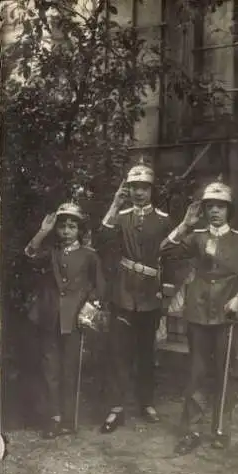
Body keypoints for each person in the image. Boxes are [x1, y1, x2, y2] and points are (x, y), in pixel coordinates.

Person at [160, 178, 238, 455]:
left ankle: (220, 429)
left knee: (224, 374)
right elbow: (165, 252)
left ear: (229, 210)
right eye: (210, 206)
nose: (215, 211)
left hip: (227, 316)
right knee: (196, 373)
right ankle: (190, 430)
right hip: (198, 314)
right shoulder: (197, 237)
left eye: (220, 206)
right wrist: (185, 224)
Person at [98, 158, 174, 433]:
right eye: (134, 187)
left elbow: (173, 258)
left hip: (150, 293)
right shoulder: (119, 217)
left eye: (143, 187)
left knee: (146, 351)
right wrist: (115, 204)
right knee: (119, 351)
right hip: (123, 291)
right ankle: (115, 408)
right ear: (127, 190)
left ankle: (146, 402)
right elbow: (102, 241)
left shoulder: (164, 220)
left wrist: (167, 291)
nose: (139, 192)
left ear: (152, 190)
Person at [25, 202, 106, 439]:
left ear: (80, 230)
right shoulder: (49, 252)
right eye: (62, 226)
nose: (67, 231)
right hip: (49, 317)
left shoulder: (89, 256)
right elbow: (29, 255)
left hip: (74, 319)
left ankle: (69, 419)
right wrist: (43, 231)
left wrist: (87, 312)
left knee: (71, 369)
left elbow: (99, 287)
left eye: (72, 226)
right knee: (50, 368)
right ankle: (54, 417)